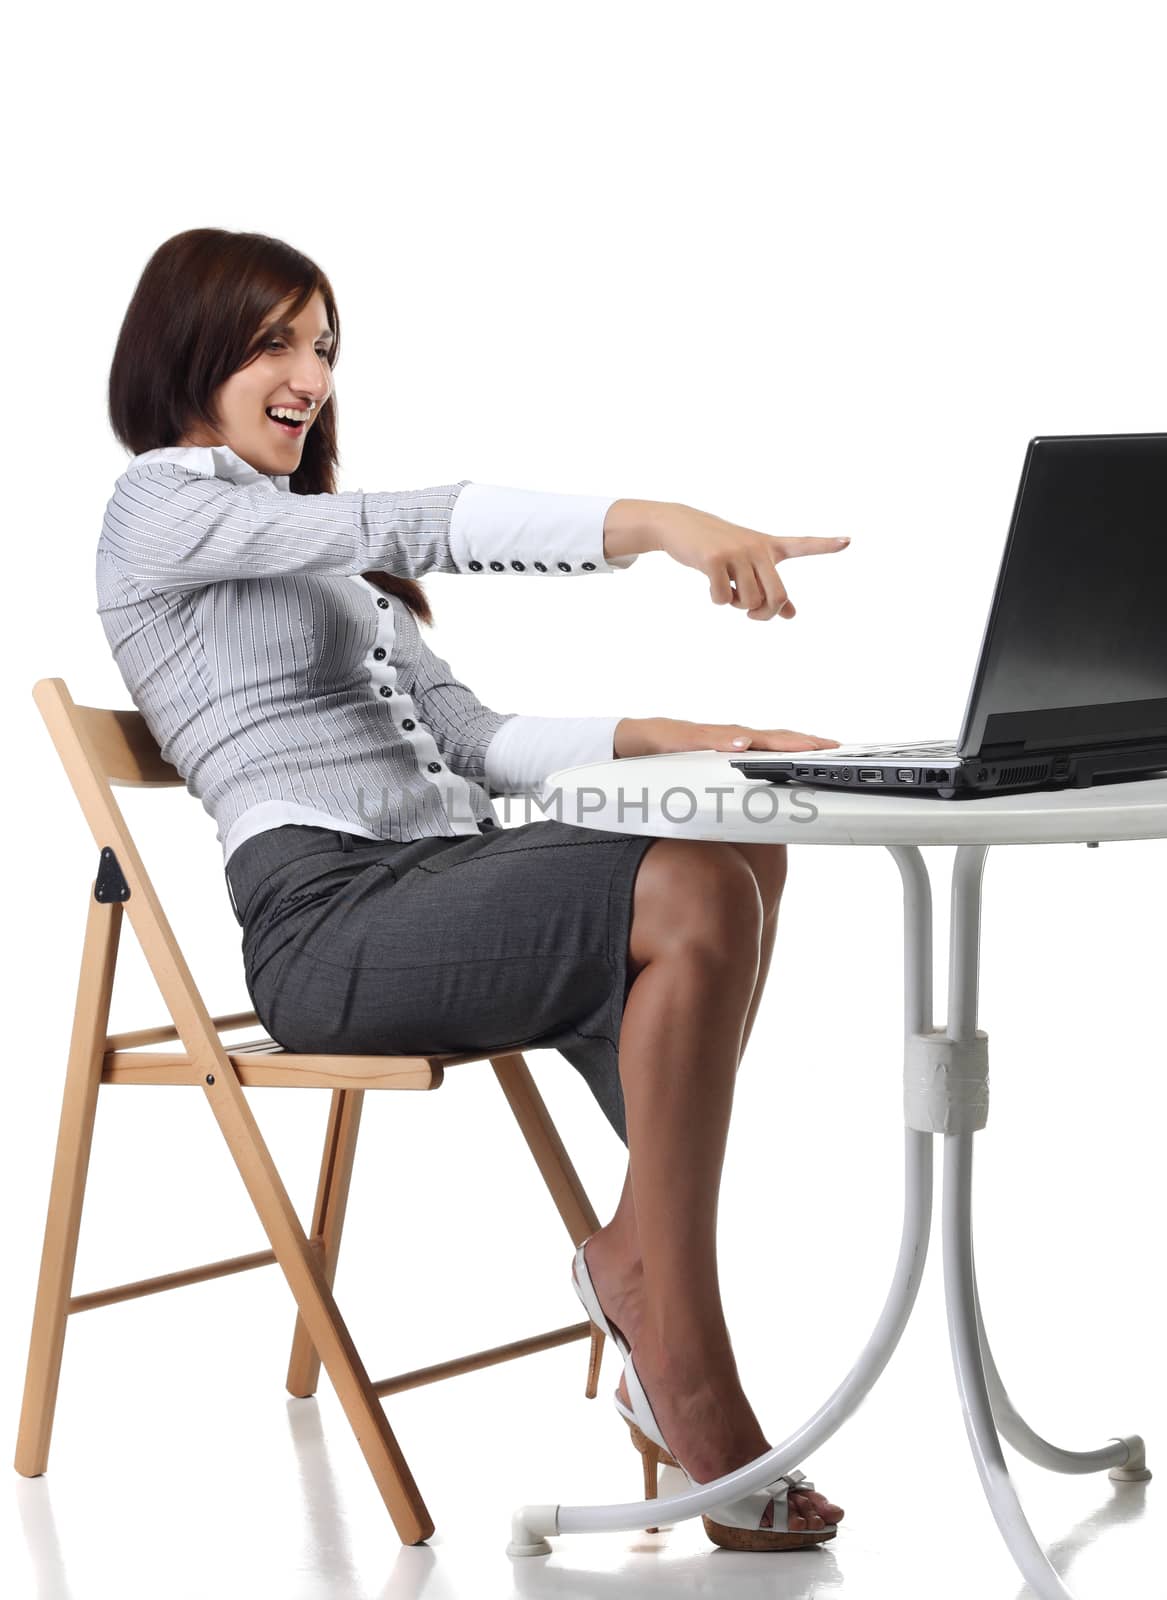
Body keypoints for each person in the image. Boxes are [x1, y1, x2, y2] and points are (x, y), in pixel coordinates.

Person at [99, 227, 851, 1550]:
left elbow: (479, 743)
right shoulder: (159, 507)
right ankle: (675, 1343)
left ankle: (646, 1279)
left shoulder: (329, 563)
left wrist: (684, 738)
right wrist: (658, 524)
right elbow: (406, 516)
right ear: (188, 353)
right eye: (275, 340)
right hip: (327, 927)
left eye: (323, 346)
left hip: (438, 886)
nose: (310, 373)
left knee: (738, 839)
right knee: (691, 884)